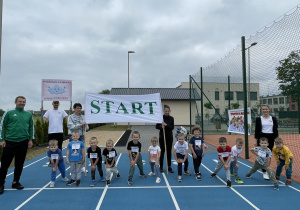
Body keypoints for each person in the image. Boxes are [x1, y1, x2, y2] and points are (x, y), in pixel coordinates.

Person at [0, 96, 34, 195]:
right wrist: (1, 139)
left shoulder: (28, 114)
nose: (22, 103)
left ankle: (16, 182)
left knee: (19, 163)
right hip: (10, 142)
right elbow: (2, 126)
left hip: (23, 142)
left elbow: (31, 127)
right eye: (20, 101)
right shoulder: (9, 113)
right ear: (15, 102)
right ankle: (1, 184)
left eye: (24, 102)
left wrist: (30, 139)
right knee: (5, 164)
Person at [255, 104, 278, 180]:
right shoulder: (259, 119)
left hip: (271, 137)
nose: (265, 110)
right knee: (262, 155)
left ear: (269, 110)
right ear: (261, 110)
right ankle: (264, 172)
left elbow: (275, 129)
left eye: (266, 109)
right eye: (263, 109)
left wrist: (276, 139)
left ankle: (267, 168)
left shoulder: (273, 118)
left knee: (269, 155)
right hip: (262, 137)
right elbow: (257, 130)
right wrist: (256, 140)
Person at [43, 101, 68, 166]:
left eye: (57, 103)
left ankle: (59, 160)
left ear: (58, 104)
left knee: (59, 146)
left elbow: (67, 117)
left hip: (59, 131)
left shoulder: (62, 111)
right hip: (51, 131)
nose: (56, 104)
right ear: (52, 104)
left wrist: (70, 111)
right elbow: (44, 118)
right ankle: (51, 161)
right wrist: (42, 114)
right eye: (55, 103)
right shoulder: (49, 111)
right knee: (51, 146)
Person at [67, 103, 89, 173]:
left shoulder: (83, 117)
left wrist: (86, 126)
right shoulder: (70, 117)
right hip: (73, 136)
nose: (79, 109)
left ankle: (81, 166)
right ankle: (72, 168)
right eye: (77, 108)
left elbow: (87, 128)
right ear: (74, 109)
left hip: (81, 136)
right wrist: (80, 125)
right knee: (73, 152)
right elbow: (70, 126)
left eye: (80, 108)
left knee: (81, 151)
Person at [156, 105, 174, 173]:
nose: (167, 112)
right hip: (162, 137)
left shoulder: (171, 118)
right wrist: (161, 126)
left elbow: (172, 128)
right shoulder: (160, 118)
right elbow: (156, 126)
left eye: (168, 111)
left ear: (169, 111)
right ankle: (161, 167)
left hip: (169, 137)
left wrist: (166, 125)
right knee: (162, 152)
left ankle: (169, 166)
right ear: (163, 111)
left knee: (169, 152)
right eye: (165, 111)